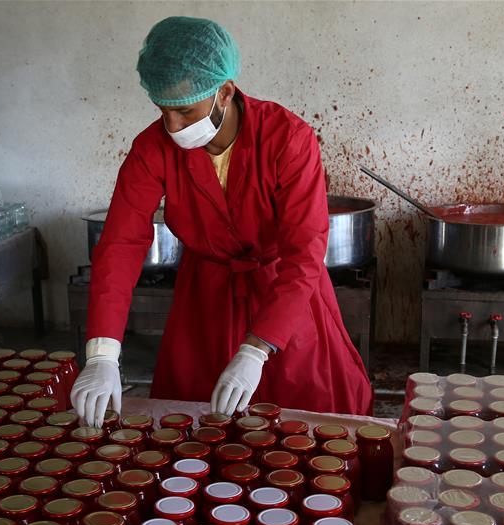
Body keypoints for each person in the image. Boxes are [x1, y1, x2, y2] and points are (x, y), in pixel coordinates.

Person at [71, 16, 372, 427]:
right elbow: (120, 244)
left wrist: (257, 349)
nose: (173, 127)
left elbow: (304, 253)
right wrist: (102, 353)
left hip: (283, 293)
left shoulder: (288, 138)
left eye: (185, 111)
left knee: (305, 426)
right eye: (163, 111)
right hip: (205, 297)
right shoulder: (151, 149)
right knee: (194, 429)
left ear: (225, 92)